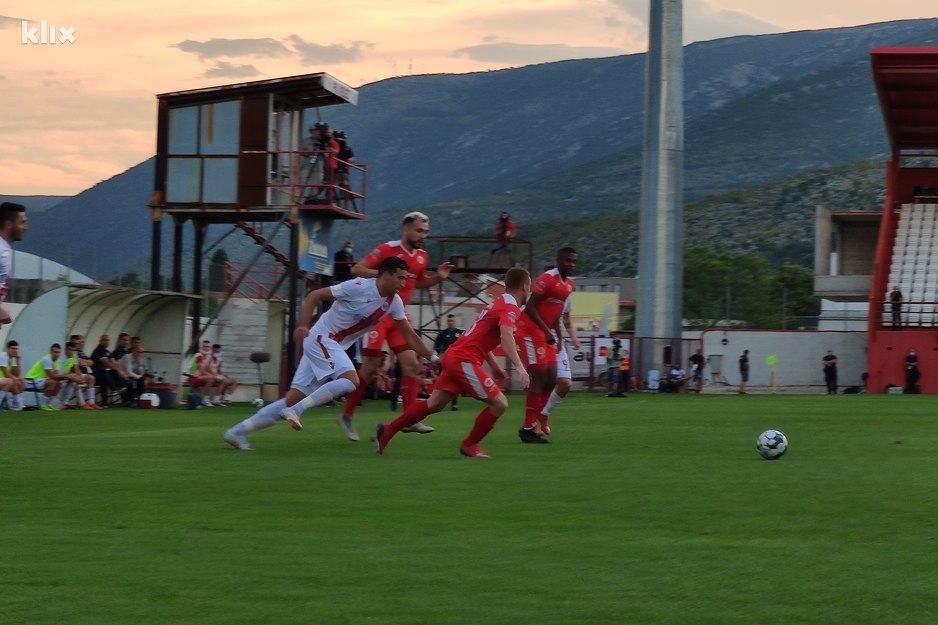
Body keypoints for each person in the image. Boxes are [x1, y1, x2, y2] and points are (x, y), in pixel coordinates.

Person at [224, 256, 437, 451]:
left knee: (291, 399)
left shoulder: (394, 302)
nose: (404, 283)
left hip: (329, 344)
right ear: (386, 275)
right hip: (322, 338)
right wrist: (303, 325)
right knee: (351, 381)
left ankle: (237, 432)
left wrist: (434, 359)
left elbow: (410, 337)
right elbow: (315, 295)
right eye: (400, 277)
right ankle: (296, 411)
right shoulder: (358, 286)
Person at [375, 267, 532, 458]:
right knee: (499, 404)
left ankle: (388, 430)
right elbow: (506, 336)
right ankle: (470, 446)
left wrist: (494, 366)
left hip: (456, 356)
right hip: (464, 360)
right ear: (525, 286)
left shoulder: (499, 302)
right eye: (530, 287)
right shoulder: (510, 307)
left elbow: (481, 337)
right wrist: (520, 367)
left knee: (434, 404)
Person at [337, 211, 453, 441]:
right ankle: (347, 415)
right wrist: (385, 275)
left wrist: (438, 277)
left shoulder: (422, 257)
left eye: (425, 232)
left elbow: (418, 282)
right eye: (419, 231)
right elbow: (357, 269)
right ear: (406, 229)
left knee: (412, 366)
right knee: (369, 369)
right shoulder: (387, 249)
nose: (423, 236)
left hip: (399, 316)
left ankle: (410, 419)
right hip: (376, 315)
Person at [516, 247, 577, 444]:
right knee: (539, 377)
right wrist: (546, 331)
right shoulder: (547, 279)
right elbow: (530, 307)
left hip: (546, 334)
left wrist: (558, 336)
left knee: (552, 378)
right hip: (530, 331)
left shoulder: (569, 285)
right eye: (567, 260)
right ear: (558, 261)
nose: (571, 264)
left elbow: (557, 314)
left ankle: (538, 420)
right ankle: (528, 428)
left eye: (574, 261)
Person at [537, 296, 580, 434]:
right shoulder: (542, 293)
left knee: (565, 383)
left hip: (557, 343)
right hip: (539, 341)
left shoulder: (566, 297)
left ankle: (544, 414)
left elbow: (566, 319)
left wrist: (573, 338)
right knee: (541, 383)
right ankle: (534, 424)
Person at [0, 202, 28, 326]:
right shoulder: (2, 252)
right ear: (9, 224)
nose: (26, 227)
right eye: (22, 222)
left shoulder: (4, 250)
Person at [433, 314, 464, 410]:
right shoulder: (443, 333)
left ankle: (454, 404)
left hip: (457, 360)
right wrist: (438, 357)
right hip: (445, 360)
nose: (451, 322)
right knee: (442, 381)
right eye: (449, 321)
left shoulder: (460, 333)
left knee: (456, 381)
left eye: (452, 321)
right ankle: (438, 403)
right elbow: (436, 346)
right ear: (447, 322)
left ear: (455, 322)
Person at [25, 344, 69, 410]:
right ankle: (43, 405)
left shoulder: (57, 361)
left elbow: (56, 376)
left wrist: (66, 377)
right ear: (50, 352)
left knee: (59, 383)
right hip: (31, 380)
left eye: (59, 352)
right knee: (52, 382)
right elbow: (51, 376)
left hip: (40, 381)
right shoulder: (47, 359)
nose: (57, 354)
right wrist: (67, 377)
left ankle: (48, 404)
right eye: (55, 352)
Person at [91, 334, 128, 407]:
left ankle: (123, 395)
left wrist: (121, 371)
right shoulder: (98, 350)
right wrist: (118, 370)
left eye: (108, 340)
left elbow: (114, 362)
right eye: (105, 340)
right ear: (100, 341)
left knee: (114, 373)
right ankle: (114, 389)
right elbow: (106, 363)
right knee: (104, 372)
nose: (107, 342)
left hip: (104, 375)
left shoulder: (107, 351)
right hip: (96, 375)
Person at [61, 341, 96, 409]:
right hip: (61, 378)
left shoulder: (74, 356)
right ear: (66, 350)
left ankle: (91, 402)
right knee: (74, 380)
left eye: (73, 350)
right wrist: (77, 378)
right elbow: (62, 374)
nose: (72, 352)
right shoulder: (62, 358)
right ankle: (81, 403)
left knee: (91, 378)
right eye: (70, 350)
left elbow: (76, 368)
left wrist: (80, 377)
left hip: (69, 377)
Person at [0, 339, 26, 410]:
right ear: (8, 349)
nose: (15, 351)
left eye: (17, 349)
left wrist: (18, 360)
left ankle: (17, 405)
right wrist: (16, 379)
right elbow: (6, 374)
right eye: (13, 349)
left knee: (21, 380)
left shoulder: (12, 359)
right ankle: (19, 404)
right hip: (3, 380)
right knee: (11, 381)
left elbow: (17, 374)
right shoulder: (3, 356)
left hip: (3, 381)